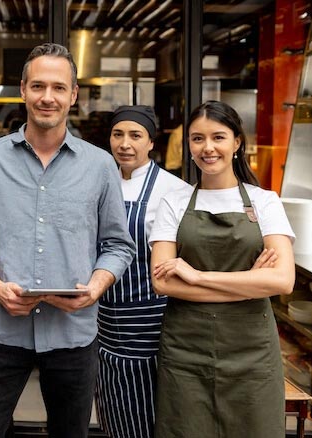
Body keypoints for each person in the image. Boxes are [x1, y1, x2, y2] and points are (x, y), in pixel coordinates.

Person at [0, 43, 136, 438]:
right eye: (38, 86)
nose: (47, 97)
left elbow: (119, 245)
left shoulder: (100, 164)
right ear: (22, 90)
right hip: (1, 329)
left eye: (58, 87)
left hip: (73, 331)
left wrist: (96, 287)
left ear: (73, 94)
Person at [149, 100, 295, 437]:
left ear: (237, 142)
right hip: (186, 351)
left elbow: (283, 280)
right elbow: (162, 283)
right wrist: (252, 281)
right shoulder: (173, 202)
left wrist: (198, 276)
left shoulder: (265, 201)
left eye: (218, 137)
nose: (208, 147)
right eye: (197, 139)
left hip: (252, 352)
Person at [94, 105, 190, 438]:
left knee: (154, 415)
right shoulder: (98, 183)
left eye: (136, 136)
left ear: (151, 142)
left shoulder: (175, 191)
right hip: (103, 322)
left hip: (153, 325)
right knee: (113, 414)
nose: (125, 144)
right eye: (118, 134)